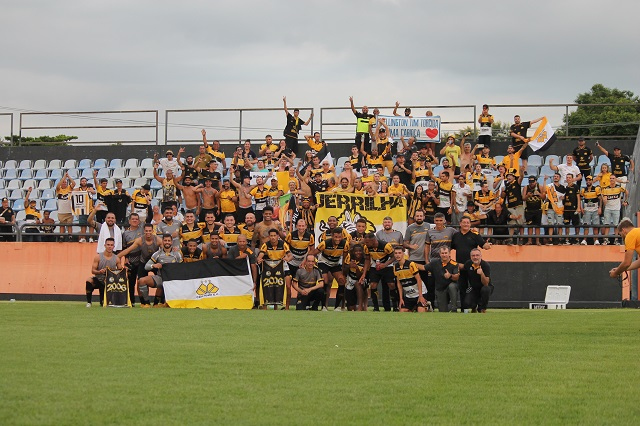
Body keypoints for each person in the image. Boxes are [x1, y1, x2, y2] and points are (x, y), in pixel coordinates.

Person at [452, 216, 490, 310]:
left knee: (476, 286)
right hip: (461, 266)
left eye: (468, 223)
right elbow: (450, 248)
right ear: (460, 224)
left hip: (474, 267)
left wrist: (488, 244)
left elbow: (485, 246)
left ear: (470, 224)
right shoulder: (456, 236)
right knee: (462, 288)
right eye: (464, 222)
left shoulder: (474, 234)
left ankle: (479, 306)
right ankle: (463, 309)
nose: (466, 224)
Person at [138, 234, 183, 307]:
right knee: (142, 280)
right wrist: (154, 265)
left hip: (172, 280)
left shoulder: (177, 254)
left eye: (169, 241)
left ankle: (160, 302)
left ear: (171, 242)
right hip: (160, 278)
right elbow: (146, 267)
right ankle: (147, 303)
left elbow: (182, 268)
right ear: (162, 241)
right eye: (165, 240)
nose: (167, 242)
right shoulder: (157, 254)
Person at [257, 228, 294, 309]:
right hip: (271, 267)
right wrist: (259, 260)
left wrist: (287, 259)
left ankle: (287, 307)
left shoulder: (283, 244)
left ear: (278, 236)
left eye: (274, 236)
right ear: (269, 237)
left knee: (288, 286)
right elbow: (260, 256)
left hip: (283, 266)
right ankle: (268, 306)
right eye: (271, 236)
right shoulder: (266, 245)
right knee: (269, 285)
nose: (273, 237)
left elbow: (290, 256)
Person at [316, 227, 350, 311]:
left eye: (339, 237)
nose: (338, 239)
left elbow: (345, 256)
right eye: (336, 237)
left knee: (342, 280)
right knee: (326, 280)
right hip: (324, 262)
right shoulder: (324, 243)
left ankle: (337, 307)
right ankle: (324, 306)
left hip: (335, 263)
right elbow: (313, 252)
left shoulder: (345, 243)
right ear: (332, 236)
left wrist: (343, 268)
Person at [363, 232, 396, 312]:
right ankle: (376, 307)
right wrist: (364, 274)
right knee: (373, 285)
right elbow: (367, 259)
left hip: (387, 266)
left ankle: (395, 306)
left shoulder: (386, 246)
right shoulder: (366, 247)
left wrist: (384, 264)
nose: (365, 244)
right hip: (375, 266)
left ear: (373, 240)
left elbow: (393, 257)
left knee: (391, 285)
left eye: (367, 242)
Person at [85, 238, 123, 307]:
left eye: (111, 245)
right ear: (105, 245)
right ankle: (89, 302)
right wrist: (99, 272)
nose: (109, 246)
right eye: (108, 245)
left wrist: (117, 271)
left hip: (110, 282)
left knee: (103, 303)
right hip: (99, 279)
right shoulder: (98, 257)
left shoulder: (116, 258)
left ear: (114, 247)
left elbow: (120, 270)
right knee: (89, 281)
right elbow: (93, 270)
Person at [393, 246, 429, 313]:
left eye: (399, 253)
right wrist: (401, 298)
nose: (397, 255)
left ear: (403, 254)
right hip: (409, 295)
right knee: (402, 311)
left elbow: (419, 279)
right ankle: (414, 307)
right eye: (396, 253)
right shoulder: (395, 267)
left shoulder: (410, 264)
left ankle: (427, 307)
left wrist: (421, 296)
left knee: (421, 311)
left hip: (420, 293)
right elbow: (399, 283)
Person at [425, 246, 459, 312]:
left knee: (452, 286)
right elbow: (423, 268)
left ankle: (454, 308)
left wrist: (450, 276)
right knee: (443, 311)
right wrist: (412, 264)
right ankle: (447, 307)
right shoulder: (434, 262)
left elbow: (456, 278)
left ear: (449, 254)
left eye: (446, 253)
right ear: (440, 254)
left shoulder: (454, 264)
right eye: (442, 253)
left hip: (450, 287)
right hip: (440, 289)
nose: (444, 255)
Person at [120, 213, 143, 305]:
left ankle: (143, 301)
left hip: (141, 260)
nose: (135, 221)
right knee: (131, 282)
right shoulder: (125, 233)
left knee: (141, 281)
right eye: (133, 219)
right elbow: (124, 247)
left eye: (136, 219)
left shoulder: (142, 230)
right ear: (129, 221)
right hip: (131, 261)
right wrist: (125, 258)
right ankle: (131, 301)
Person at [600, 176, 628, 245]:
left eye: (613, 178)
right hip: (608, 209)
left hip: (616, 209)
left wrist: (625, 201)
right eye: (611, 178)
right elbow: (604, 199)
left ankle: (616, 239)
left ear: (615, 180)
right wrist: (604, 201)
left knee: (616, 225)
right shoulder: (606, 188)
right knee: (607, 224)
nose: (612, 179)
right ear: (609, 180)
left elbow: (626, 192)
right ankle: (606, 240)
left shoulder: (619, 187)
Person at [463, 248, 492, 313]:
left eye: (477, 255)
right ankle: (473, 307)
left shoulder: (485, 265)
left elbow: (486, 283)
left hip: (484, 287)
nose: (475, 257)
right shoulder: (468, 264)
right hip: (473, 288)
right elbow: (462, 267)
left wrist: (482, 274)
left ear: (481, 256)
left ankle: (482, 309)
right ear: (470, 257)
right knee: (467, 302)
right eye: (473, 255)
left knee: (485, 289)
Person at [342, 244, 370, 311]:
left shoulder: (365, 260)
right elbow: (344, 271)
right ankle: (346, 306)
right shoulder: (349, 257)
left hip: (362, 279)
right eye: (356, 251)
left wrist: (356, 268)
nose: (358, 253)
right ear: (353, 252)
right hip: (351, 279)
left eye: (360, 251)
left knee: (358, 283)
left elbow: (360, 276)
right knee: (351, 308)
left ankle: (361, 305)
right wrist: (349, 266)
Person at [501, 169, 525, 244]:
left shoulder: (517, 182)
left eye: (510, 176)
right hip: (510, 206)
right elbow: (502, 196)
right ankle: (510, 239)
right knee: (511, 223)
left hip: (518, 205)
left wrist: (522, 171)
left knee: (521, 223)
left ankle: (521, 239)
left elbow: (521, 177)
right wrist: (503, 191)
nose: (509, 177)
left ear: (514, 177)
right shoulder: (507, 186)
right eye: (508, 176)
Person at [542, 173, 565, 245]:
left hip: (559, 207)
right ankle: (550, 239)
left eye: (557, 176)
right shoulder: (549, 186)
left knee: (559, 224)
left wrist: (563, 198)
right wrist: (545, 180)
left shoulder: (563, 187)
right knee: (550, 224)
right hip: (550, 207)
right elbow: (543, 191)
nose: (555, 178)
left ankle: (560, 239)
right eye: (554, 176)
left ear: (560, 178)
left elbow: (565, 196)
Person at [523, 176, 544, 245]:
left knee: (537, 226)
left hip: (537, 209)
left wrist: (539, 194)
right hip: (529, 209)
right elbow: (523, 198)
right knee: (530, 226)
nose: (531, 183)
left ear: (535, 181)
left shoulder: (539, 187)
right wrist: (527, 196)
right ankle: (530, 240)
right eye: (530, 182)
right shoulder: (526, 187)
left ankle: (537, 241)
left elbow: (544, 197)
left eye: (533, 182)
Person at [561, 173, 582, 245]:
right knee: (567, 224)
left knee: (576, 224)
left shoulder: (575, 187)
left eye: (570, 177)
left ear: (572, 179)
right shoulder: (564, 187)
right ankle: (567, 239)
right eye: (567, 177)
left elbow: (578, 197)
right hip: (566, 209)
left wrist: (578, 207)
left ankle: (577, 239)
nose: (568, 179)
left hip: (573, 209)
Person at [580, 175, 601, 245]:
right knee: (586, 225)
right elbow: (579, 198)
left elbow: (600, 199)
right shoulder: (583, 190)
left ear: (592, 181)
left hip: (595, 210)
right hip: (587, 210)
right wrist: (581, 207)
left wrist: (600, 208)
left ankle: (596, 240)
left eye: (589, 180)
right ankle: (584, 240)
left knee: (595, 226)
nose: (588, 181)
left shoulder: (596, 189)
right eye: (587, 180)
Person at [55, 171, 75, 241]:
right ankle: (61, 236)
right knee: (62, 225)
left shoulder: (69, 188)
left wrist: (68, 177)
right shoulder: (59, 190)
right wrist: (63, 178)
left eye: (65, 182)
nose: (64, 183)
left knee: (69, 225)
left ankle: (70, 237)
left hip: (69, 210)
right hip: (61, 211)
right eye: (63, 182)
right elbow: (57, 186)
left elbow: (74, 183)